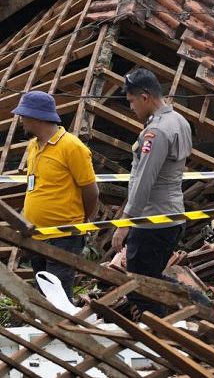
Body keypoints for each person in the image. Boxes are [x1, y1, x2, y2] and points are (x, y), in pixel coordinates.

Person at [111, 68, 192, 317]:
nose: (132, 107)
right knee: (152, 280)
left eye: (132, 101)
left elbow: (144, 180)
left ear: (145, 97)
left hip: (152, 221)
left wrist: (126, 222)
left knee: (139, 287)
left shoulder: (155, 132)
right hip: (170, 216)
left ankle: (167, 333)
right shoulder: (179, 120)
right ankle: (191, 310)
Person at [13, 91, 99, 299]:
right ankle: (50, 330)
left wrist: (81, 222)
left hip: (63, 237)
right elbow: (35, 187)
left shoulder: (72, 147)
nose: (21, 121)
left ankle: (61, 330)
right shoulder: (33, 146)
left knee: (58, 297)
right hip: (37, 235)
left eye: (24, 116)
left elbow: (91, 191)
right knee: (44, 295)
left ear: (36, 117)